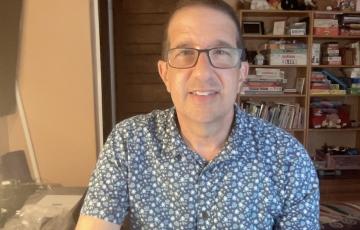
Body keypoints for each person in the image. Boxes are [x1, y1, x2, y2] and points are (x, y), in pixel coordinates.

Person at [76, 0, 320, 229]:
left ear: (242, 74)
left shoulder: (288, 157)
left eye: (221, 52)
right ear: (165, 74)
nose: (202, 73)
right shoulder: (128, 142)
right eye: (184, 53)